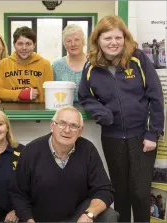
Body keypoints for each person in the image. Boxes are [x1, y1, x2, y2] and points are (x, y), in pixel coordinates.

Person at [78, 15, 164, 222]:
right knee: (121, 193)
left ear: (125, 38)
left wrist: (153, 132)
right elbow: (84, 97)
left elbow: (156, 96)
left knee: (141, 194)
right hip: (112, 137)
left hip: (142, 137)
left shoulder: (138, 59)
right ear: (98, 40)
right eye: (107, 38)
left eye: (118, 38)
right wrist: (102, 112)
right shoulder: (90, 66)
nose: (113, 43)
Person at [9, 106, 118, 222]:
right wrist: (28, 220)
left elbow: (105, 190)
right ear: (52, 126)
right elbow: (18, 195)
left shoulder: (88, 150)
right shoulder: (31, 151)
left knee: (109, 216)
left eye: (73, 126)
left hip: (78, 218)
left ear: (80, 131)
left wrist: (89, 214)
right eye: (62, 123)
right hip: (41, 218)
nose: (67, 130)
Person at [0, 26, 53, 103]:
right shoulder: (3, 64)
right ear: (14, 44)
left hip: (37, 112)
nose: (24, 48)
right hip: (10, 112)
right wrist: (21, 94)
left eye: (28, 44)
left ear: (34, 45)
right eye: (20, 44)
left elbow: (49, 94)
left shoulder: (45, 65)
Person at [52, 24, 87, 102]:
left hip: (90, 111)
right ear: (64, 45)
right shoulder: (56, 65)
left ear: (83, 42)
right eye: (69, 41)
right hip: (62, 110)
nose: (73, 44)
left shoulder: (93, 64)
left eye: (77, 40)